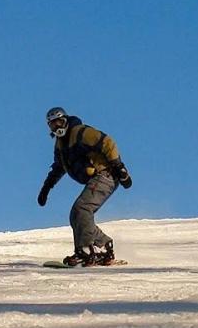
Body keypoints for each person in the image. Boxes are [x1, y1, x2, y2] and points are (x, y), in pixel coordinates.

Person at [37, 107, 133, 266]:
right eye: (52, 125)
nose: (57, 127)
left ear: (66, 120)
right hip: (96, 178)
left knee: (81, 209)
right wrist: (46, 188)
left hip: (106, 174)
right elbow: (58, 167)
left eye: (59, 122)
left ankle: (85, 251)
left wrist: (119, 167)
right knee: (76, 215)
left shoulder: (80, 132)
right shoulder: (61, 145)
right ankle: (104, 246)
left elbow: (107, 142)